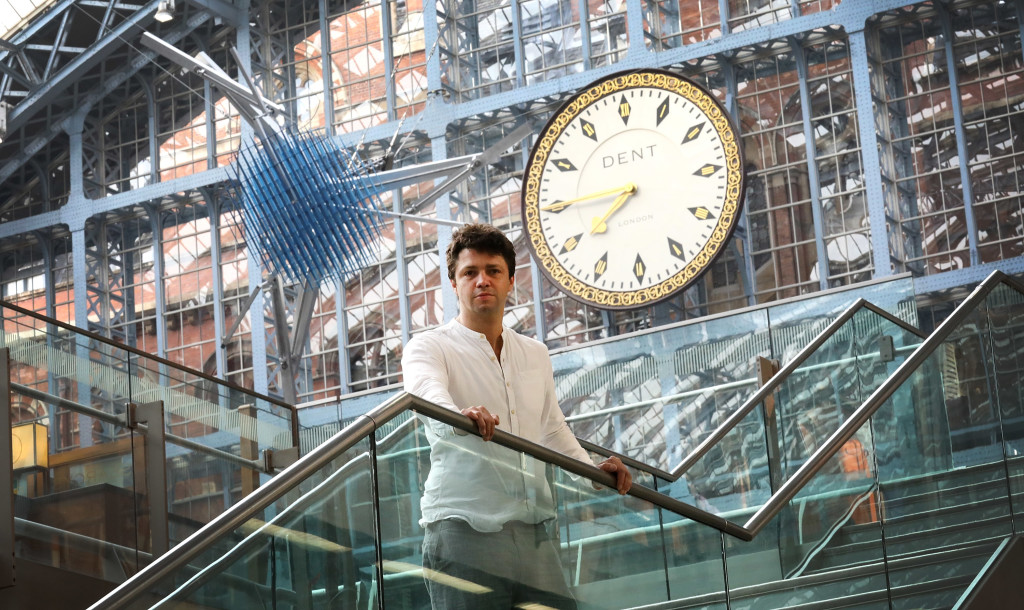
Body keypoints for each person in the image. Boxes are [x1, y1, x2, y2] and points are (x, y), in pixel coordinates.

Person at [402, 223, 632, 610]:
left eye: (492, 271)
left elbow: (551, 428)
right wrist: (460, 415)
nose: (481, 281)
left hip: (533, 531)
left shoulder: (534, 353)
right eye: (469, 273)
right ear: (454, 284)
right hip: (463, 527)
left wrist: (594, 474)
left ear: (510, 280)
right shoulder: (428, 347)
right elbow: (427, 393)